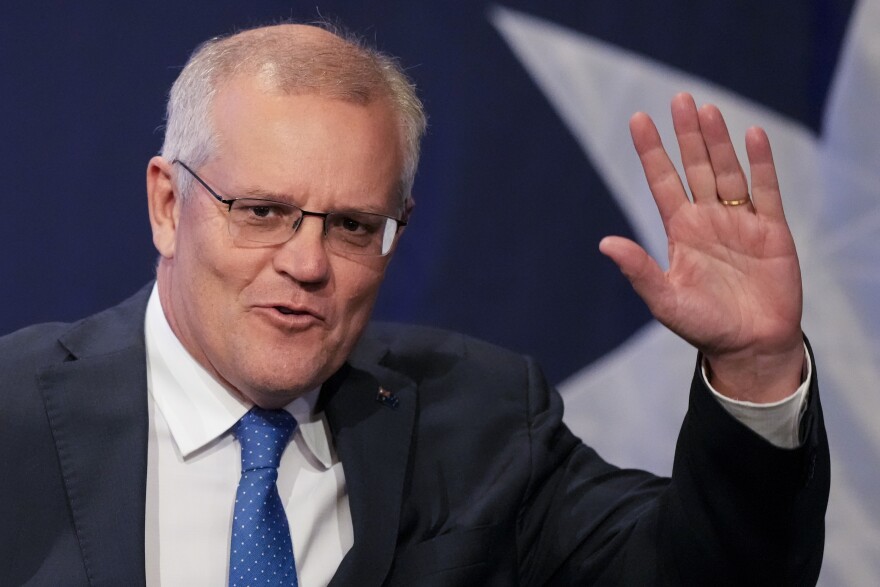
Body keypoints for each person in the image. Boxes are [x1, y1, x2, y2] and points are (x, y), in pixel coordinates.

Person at [0, 21, 828, 587]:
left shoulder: (483, 422)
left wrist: (755, 367)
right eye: (262, 212)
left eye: (354, 225)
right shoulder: (13, 414)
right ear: (167, 206)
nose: (307, 262)